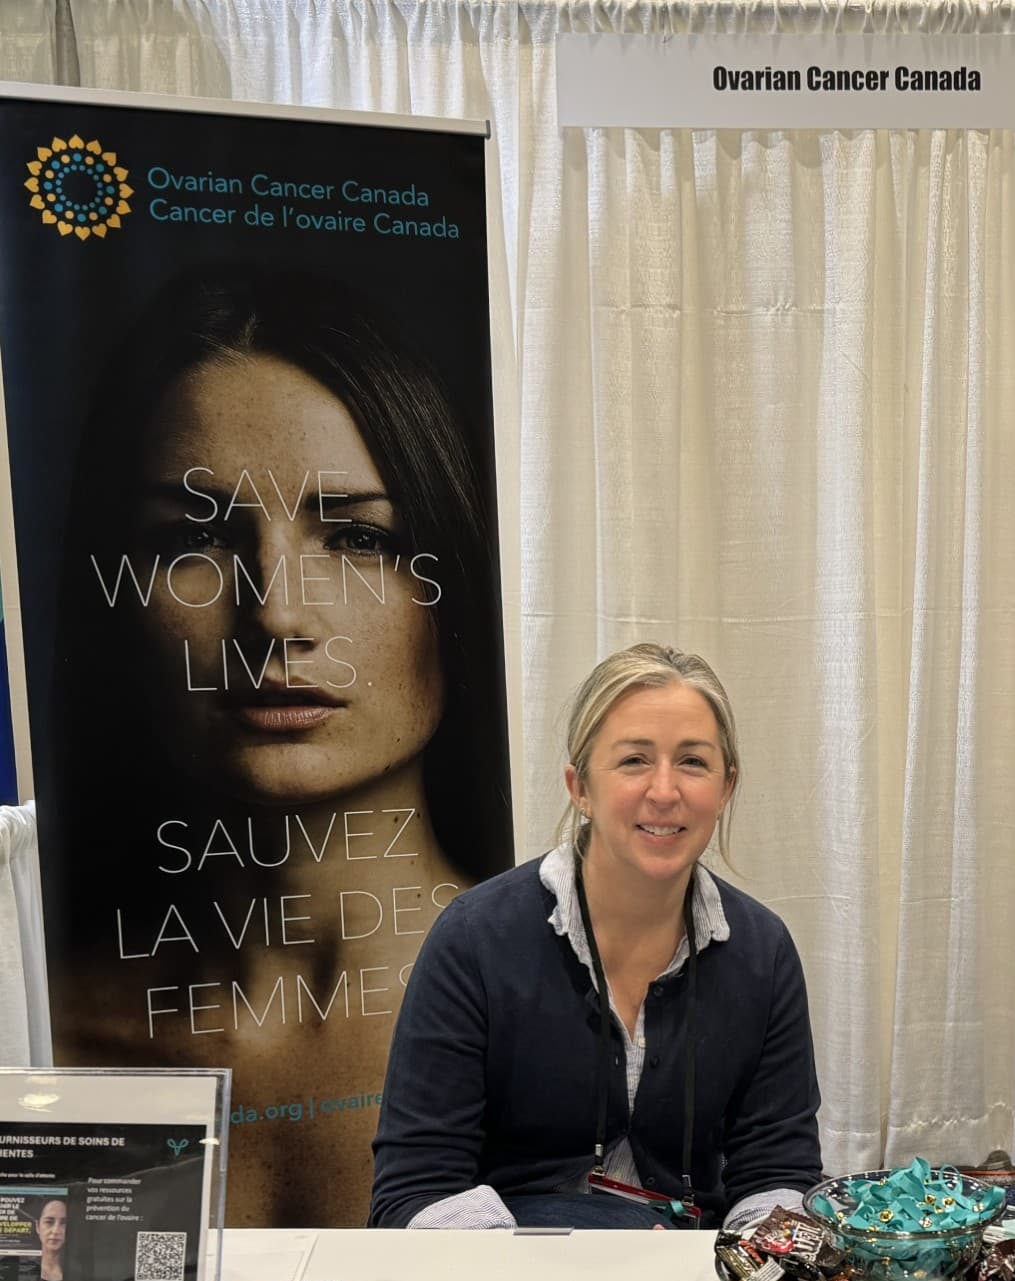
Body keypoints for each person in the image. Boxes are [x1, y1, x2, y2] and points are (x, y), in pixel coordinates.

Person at [46, 268, 511, 1227]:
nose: (278, 614)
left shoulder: (551, 1018)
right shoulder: (43, 1041)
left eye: (355, 538)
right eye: (194, 539)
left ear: (451, 581)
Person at [369, 643, 823, 1232]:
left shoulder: (762, 952)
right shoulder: (474, 940)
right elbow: (414, 1192)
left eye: (693, 762)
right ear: (579, 786)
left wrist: (748, 1265)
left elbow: (778, 1174)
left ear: (726, 786)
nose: (665, 791)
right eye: (634, 760)